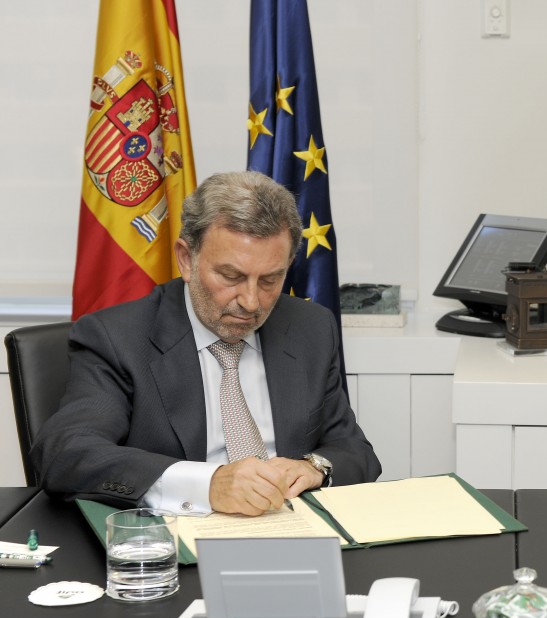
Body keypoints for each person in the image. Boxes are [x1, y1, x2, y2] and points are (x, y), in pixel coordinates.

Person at [36, 171, 381, 515]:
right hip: (175, 540)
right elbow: (68, 454)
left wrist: (313, 467)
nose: (250, 301)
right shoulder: (119, 338)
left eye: (270, 280)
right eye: (231, 277)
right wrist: (207, 483)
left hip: (292, 532)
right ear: (187, 259)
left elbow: (354, 450)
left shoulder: (310, 328)